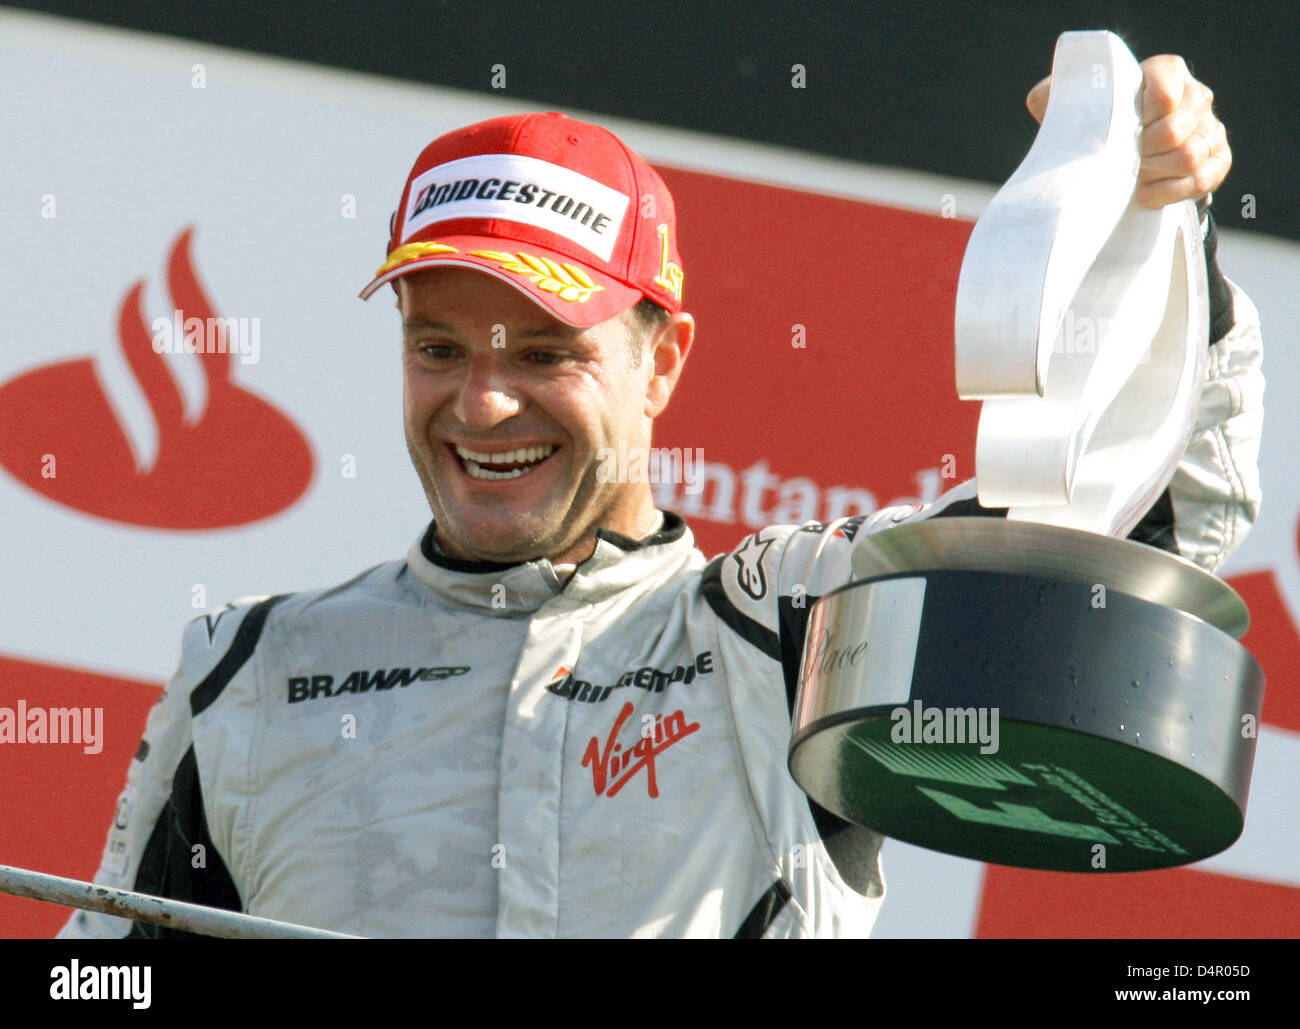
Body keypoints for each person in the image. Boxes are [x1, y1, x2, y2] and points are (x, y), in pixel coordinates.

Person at [61, 55, 1262, 938]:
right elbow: (101, 973)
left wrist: (1156, 239)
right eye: (439, 350)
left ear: (663, 361)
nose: (480, 406)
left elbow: (1109, 531)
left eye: (545, 355)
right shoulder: (253, 667)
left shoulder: (790, 626)